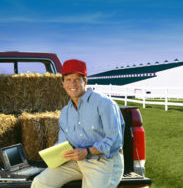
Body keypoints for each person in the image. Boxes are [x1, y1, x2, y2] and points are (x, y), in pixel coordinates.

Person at [31, 59, 125, 188]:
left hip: (103, 161)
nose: (72, 84)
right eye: (68, 79)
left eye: (77, 79)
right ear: (63, 83)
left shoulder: (104, 103)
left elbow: (114, 140)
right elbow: (64, 143)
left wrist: (87, 151)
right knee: (40, 183)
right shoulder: (65, 112)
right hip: (75, 161)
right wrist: (53, 155)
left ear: (85, 81)